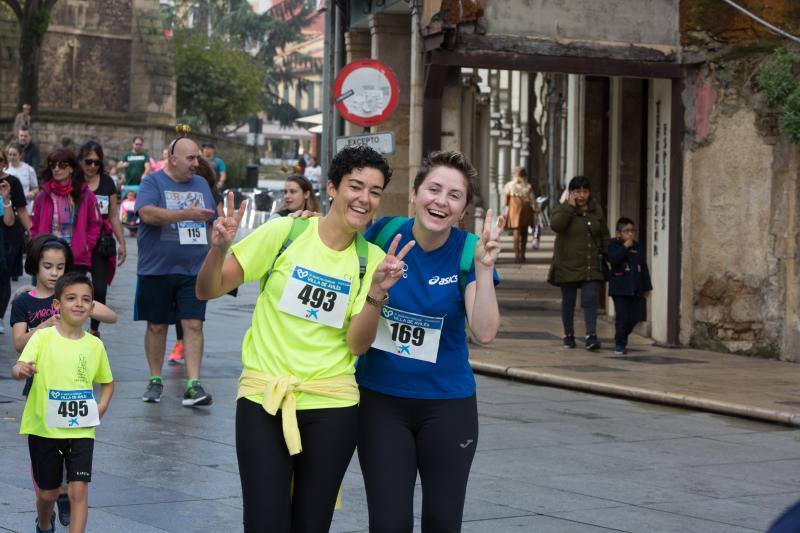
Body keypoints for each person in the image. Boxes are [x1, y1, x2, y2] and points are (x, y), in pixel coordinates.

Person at [196, 145, 412, 532]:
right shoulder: (285, 233)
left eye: (375, 191)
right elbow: (208, 289)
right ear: (331, 187)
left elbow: (357, 345)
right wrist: (218, 250)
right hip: (264, 397)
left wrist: (378, 293)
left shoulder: (374, 261)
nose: (364, 198)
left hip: (333, 405)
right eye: (355, 186)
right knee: (264, 523)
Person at [355, 150, 503, 533]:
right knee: (388, 523)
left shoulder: (470, 251)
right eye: (433, 189)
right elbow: (334, 241)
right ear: (415, 193)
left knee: (442, 522)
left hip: (448, 406)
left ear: (463, 210)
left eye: (454, 195)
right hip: (381, 402)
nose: (441, 201)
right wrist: (306, 220)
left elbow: (485, 331)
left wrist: (485, 268)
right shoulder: (382, 234)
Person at [11, 234, 117, 528]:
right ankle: (45, 521)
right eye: (48, 266)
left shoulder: (93, 341)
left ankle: (67, 502)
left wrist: (102, 406)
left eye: (60, 267)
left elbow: (108, 380)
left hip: (81, 426)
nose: (54, 272)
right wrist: (22, 368)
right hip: (43, 416)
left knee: (78, 489)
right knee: (47, 492)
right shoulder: (33, 317)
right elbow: (18, 355)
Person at [135, 135, 216, 407]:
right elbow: (147, 214)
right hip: (157, 268)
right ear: (173, 159)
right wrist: (184, 215)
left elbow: (209, 222)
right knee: (157, 325)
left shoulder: (201, 184)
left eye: (197, 158)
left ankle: (193, 384)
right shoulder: (153, 182)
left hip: (193, 269)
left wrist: (216, 252)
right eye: (191, 158)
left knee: (194, 324)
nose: (196, 163)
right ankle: (155, 378)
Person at [166, 157, 224, 366]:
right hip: (176, 254)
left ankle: (185, 342)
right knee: (177, 305)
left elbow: (221, 218)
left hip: (200, 256)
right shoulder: (175, 189)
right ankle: (181, 341)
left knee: (193, 309)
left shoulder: (210, 192)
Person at [548, 176, 610, 350]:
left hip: (590, 264)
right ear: (571, 193)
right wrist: (569, 207)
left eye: (585, 191)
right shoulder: (562, 209)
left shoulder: (596, 210)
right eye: (577, 191)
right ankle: (568, 335)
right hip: (567, 264)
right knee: (568, 302)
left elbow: (604, 234)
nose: (582, 195)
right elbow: (556, 225)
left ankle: (591, 335)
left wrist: (608, 253)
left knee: (590, 299)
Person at [79, 141, 127, 337]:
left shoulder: (107, 182)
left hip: (101, 241)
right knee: (73, 286)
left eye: (96, 162)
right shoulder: (74, 181)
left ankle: (93, 329)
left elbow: (114, 215)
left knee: (99, 289)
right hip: (79, 242)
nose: (92, 166)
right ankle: (70, 327)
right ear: (80, 161)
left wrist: (122, 242)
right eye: (88, 161)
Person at [31, 148, 102, 273]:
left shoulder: (86, 195)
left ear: (71, 168)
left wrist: (85, 246)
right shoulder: (42, 196)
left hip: (75, 259)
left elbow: (95, 223)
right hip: (46, 257)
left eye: (62, 165)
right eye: (53, 165)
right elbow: (35, 225)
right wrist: (36, 247)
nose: (56, 169)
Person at [607, 217, 652, 355]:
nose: (630, 234)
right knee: (622, 317)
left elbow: (643, 267)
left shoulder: (638, 247)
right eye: (626, 231)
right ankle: (619, 344)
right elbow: (613, 260)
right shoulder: (614, 245)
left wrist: (647, 287)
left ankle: (621, 336)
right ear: (618, 233)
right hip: (619, 288)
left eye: (632, 230)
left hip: (635, 288)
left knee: (634, 317)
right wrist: (625, 247)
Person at [0, 147, 32, 284]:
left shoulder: (13, 182)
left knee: (4, 276)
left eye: (0, 159)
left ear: (4, 162)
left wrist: (32, 232)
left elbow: (22, 210)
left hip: (8, 232)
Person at [503, 166, 537, 262]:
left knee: (516, 234)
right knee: (524, 233)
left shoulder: (509, 185)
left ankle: (517, 255)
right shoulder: (528, 186)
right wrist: (535, 210)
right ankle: (522, 254)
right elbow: (532, 200)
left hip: (514, 211)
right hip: (526, 211)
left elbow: (506, 201)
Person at [0, 165, 18, 332]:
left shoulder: (9, 184)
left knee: (3, 279)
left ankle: (0, 316)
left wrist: (6, 199)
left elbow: (9, 221)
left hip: (3, 241)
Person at [5, 142, 39, 211]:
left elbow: (36, 188)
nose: (12, 157)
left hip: (25, 206)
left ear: (20, 155)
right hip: (8, 207)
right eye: (10, 154)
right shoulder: (4, 170)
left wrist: (32, 193)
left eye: (14, 155)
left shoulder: (29, 169)